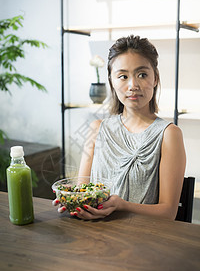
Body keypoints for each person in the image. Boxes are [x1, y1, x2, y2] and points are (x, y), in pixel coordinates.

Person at [53, 35, 186, 221]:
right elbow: (82, 192)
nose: (133, 85)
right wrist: (72, 201)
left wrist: (122, 205)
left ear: (155, 78)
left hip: (142, 240)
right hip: (92, 235)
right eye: (123, 76)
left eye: (142, 74)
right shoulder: (96, 129)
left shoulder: (169, 134)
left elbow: (168, 213)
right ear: (112, 82)